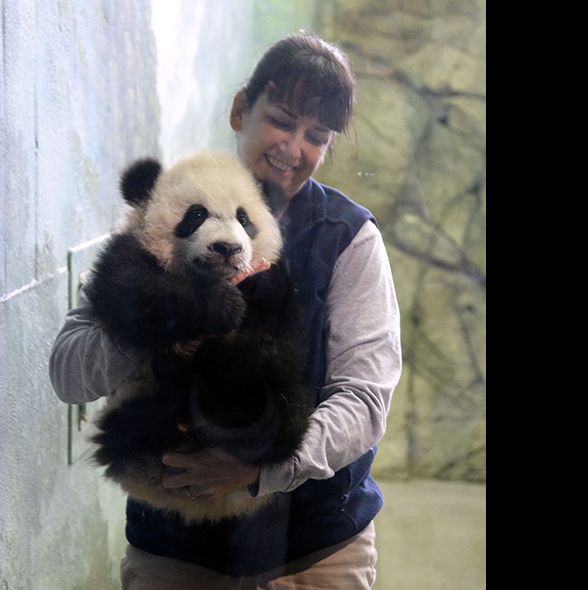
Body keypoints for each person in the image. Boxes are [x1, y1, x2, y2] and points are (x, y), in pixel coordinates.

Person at [49, 32, 402, 589]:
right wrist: (162, 322)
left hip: (313, 549)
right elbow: (68, 372)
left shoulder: (348, 238)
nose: (293, 148)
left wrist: (261, 467)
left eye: (317, 135)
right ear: (241, 108)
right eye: (282, 120)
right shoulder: (169, 207)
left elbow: (364, 397)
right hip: (175, 547)